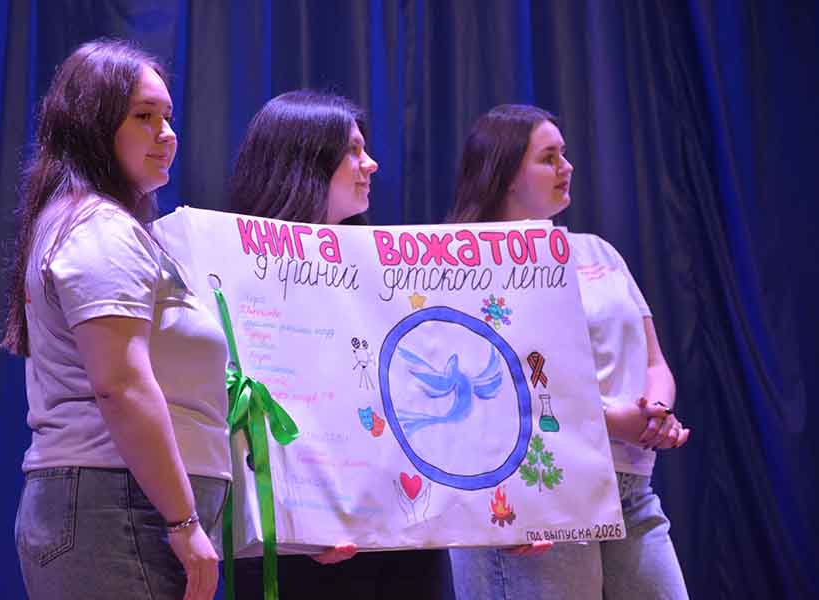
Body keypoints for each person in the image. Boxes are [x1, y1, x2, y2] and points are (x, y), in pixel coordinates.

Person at [1, 39, 230, 600]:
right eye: (144, 117)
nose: (166, 134)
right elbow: (120, 385)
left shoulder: (102, 224)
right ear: (92, 125)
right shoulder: (99, 228)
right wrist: (183, 521)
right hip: (119, 509)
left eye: (168, 117)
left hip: (127, 507)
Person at [447, 104, 691, 599]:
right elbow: (498, 389)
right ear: (506, 175)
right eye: (549, 157)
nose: (567, 166)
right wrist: (612, 421)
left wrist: (656, 412)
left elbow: (653, 360)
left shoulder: (598, 251)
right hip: (539, 492)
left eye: (564, 154)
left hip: (630, 489)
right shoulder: (471, 265)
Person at [227, 89, 455, 599]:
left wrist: (509, 514)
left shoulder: (391, 280)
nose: (371, 164)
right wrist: (300, 524)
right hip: (300, 552)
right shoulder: (237, 281)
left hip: (405, 541)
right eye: (352, 151)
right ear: (304, 161)